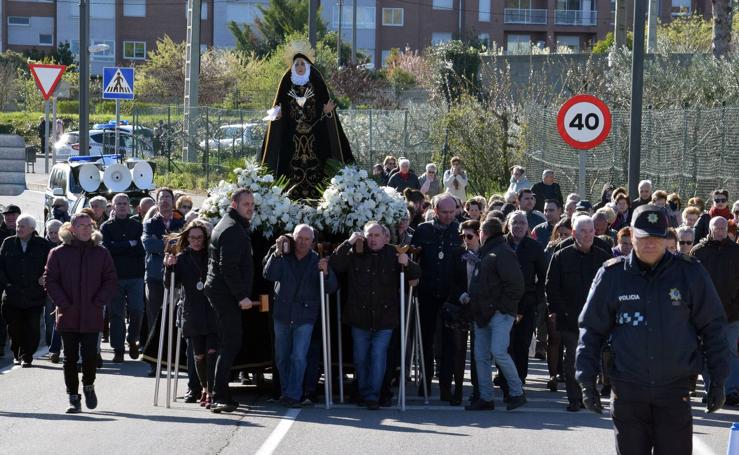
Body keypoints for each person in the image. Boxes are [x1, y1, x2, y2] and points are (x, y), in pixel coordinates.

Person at [576, 204, 729, 455]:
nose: (650, 243)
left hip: (674, 390)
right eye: (644, 237)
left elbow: (713, 327)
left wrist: (718, 380)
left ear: (667, 237)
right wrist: (586, 380)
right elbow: (591, 330)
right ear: (632, 235)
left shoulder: (689, 273)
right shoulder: (612, 275)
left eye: (657, 237)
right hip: (628, 390)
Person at [331, 222, 420, 409]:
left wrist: (408, 263)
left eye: (376, 235)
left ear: (385, 237)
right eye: (369, 235)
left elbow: (416, 275)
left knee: (378, 355)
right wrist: (348, 243)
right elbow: (336, 265)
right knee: (361, 358)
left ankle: (373, 395)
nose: (372, 239)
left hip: (384, 317)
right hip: (359, 316)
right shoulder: (355, 252)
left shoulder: (393, 253)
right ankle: (364, 392)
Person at [260, 43, 354, 199]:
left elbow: (328, 114)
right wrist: (278, 116)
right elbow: (278, 109)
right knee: (289, 172)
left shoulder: (317, 82)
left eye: (303, 63)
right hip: (291, 140)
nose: (300, 66)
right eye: (296, 64)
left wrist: (327, 113)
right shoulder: (286, 82)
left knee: (318, 171)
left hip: (315, 139)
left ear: (308, 65)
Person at [45, 214, 118, 413]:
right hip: (68, 313)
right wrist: (62, 302)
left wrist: (99, 301)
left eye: (89, 226)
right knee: (69, 358)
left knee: (89, 356)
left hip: (92, 313)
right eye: (81, 226)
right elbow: (50, 280)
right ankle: (73, 397)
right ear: (72, 229)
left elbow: (111, 279)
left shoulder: (101, 253)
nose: (86, 229)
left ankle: (88, 385)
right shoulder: (58, 253)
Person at [264, 225, 337, 407]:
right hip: (282, 314)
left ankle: (293, 394)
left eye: (307, 239)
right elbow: (268, 274)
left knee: (298, 356)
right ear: (293, 238)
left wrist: (326, 273)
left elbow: (332, 288)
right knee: (282, 357)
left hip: (305, 316)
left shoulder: (317, 260)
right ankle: (287, 390)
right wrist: (276, 253)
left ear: (312, 241)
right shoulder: (283, 256)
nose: (303, 242)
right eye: (300, 238)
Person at [545, 214, 610, 411]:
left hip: (596, 320)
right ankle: (575, 398)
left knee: (595, 359)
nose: (588, 235)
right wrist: (558, 311)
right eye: (583, 231)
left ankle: (591, 395)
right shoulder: (561, 256)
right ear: (574, 233)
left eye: (591, 231)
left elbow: (611, 287)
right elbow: (551, 286)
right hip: (570, 318)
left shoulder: (603, 257)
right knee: (573, 358)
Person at [465, 218, 527, 411]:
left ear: (484, 233)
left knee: (498, 351)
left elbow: (516, 285)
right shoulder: (488, 252)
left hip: (498, 313)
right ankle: (486, 397)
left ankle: (517, 392)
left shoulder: (502, 252)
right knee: (481, 356)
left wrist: (500, 307)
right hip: (482, 312)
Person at [205, 189, 256, 413]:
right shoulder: (232, 230)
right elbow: (228, 267)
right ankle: (218, 395)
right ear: (234, 205)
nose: (250, 207)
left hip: (221, 293)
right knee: (230, 343)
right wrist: (242, 296)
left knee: (228, 342)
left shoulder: (228, 224)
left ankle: (221, 392)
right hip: (225, 295)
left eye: (252, 204)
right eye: (246, 203)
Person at [411, 194, 463, 396]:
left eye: (452, 212)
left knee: (450, 341)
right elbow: (415, 258)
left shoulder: (460, 231)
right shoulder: (423, 230)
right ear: (435, 210)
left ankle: (445, 383)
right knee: (426, 337)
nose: (449, 216)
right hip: (427, 292)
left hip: (451, 294)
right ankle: (426, 378)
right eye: (444, 212)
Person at [163, 220, 219, 408]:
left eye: (199, 238)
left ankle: (211, 390)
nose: (196, 241)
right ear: (187, 238)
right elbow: (170, 283)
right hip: (192, 310)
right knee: (199, 355)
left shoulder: (211, 255)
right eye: (192, 238)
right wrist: (169, 267)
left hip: (211, 309)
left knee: (212, 353)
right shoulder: (182, 257)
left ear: (205, 238)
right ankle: (203, 387)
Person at [690, 216, 739, 405]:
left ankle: (732, 390)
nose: (720, 231)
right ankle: (711, 389)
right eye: (717, 228)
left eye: (723, 228)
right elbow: (692, 284)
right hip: (705, 314)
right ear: (709, 229)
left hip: (732, 313)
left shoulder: (736, 252)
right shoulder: (698, 252)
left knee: (731, 351)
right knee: (706, 352)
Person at [498, 211, 546, 394]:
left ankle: (519, 379)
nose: (518, 226)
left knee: (522, 343)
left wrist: (536, 299)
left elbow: (543, 277)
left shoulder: (534, 247)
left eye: (522, 223)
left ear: (527, 226)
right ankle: (504, 380)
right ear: (508, 224)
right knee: (504, 344)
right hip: (503, 304)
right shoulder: (500, 243)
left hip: (527, 303)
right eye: (515, 222)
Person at [0, 215, 51, 367]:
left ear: (32, 229)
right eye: (17, 226)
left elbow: (51, 265)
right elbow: (0, 266)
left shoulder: (42, 244)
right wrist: (7, 285)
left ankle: (27, 356)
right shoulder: (8, 243)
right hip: (12, 295)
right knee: (14, 328)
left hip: (34, 295)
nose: (18, 229)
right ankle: (17, 353)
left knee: (33, 328)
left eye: (22, 226)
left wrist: (45, 277)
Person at [101, 193, 146, 363]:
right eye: (118, 203)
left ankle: (133, 339)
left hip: (135, 275)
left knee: (137, 309)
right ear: (112, 206)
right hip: (114, 276)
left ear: (129, 206)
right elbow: (107, 250)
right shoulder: (106, 227)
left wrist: (118, 246)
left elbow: (140, 250)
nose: (121, 206)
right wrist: (128, 244)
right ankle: (118, 348)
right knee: (116, 314)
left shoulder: (137, 225)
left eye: (124, 204)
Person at [143, 188, 185, 346]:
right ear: (157, 202)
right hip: (155, 277)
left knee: (174, 317)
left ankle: (172, 358)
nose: (165, 200)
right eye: (162, 198)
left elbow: (184, 244)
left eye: (168, 197)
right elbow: (148, 244)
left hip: (176, 276)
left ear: (173, 201)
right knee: (155, 317)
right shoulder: (149, 223)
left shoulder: (181, 222)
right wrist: (173, 243)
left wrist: (161, 242)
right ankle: (154, 361)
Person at [444, 220, 480, 405]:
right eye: (462, 236)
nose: (466, 240)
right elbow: (450, 279)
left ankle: (478, 390)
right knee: (458, 350)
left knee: (478, 350)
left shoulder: (487, 253)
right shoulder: (457, 253)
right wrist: (461, 295)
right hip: (460, 307)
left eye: (469, 236)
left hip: (480, 308)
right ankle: (457, 389)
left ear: (478, 234)